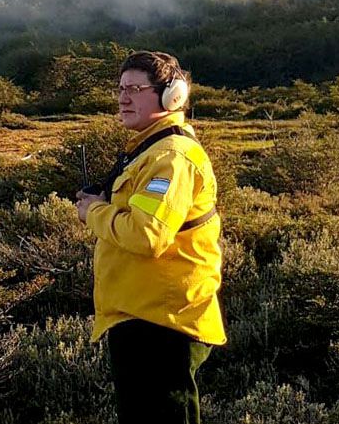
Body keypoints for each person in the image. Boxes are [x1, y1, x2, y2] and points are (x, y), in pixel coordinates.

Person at [75, 51, 226, 424]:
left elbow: (147, 235)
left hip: (162, 323)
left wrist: (92, 212)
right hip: (141, 315)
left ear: (171, 96)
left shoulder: (172, 157)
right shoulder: (149, 151)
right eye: (121, 89)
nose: (124, 98)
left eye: (136, 89)